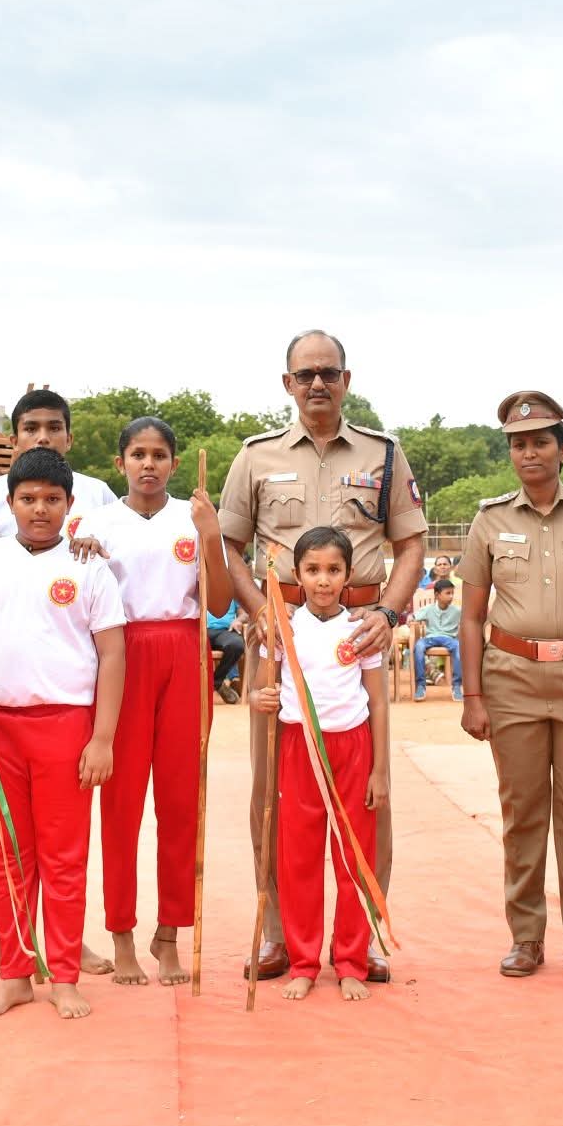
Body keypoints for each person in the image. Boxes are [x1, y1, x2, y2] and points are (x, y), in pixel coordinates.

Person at [218, 329, 426, 982]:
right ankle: (278, 933)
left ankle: (359, 938)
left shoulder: (384, 454)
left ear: (347, 379)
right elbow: (230, 546)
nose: (316, 384)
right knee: (273, 793)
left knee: (369, 795)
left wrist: (388, 612)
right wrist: (257, 611)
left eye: (328, 373)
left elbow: (412, 544)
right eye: (304, 373)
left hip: (357, 636)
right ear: (286, 383)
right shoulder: (254, 458)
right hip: (278, 640)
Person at [0, 448, 125, 1020]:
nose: (39, 509)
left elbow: (113, 652)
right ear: (9, 503)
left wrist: (102, 738)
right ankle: (18, 972)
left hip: (67, 726)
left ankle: (64, 974)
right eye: (28, 499)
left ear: (70, 505)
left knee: (64, 857)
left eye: (52, 499)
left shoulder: (88, 566)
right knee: (9, 857)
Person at [459, 392, 563, 980]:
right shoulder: (490, 519)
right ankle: (525, 935)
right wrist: (473, 695)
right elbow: (472, 614)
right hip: (512, 679)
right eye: (519, 444)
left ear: (561, 448)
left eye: (540, 441)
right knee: (523, 810)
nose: (529, 452)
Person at [74, 417, 233, 986]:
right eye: (137, 454)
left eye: (159, 454)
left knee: (180, 799)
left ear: (174, 462)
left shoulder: (191, 518)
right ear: (119, 464)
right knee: (120, 803)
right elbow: (76, 599)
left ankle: (169, 932)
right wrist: (81, 553)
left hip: (183, 652)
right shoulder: (95, 522)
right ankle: (121, 934)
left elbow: (218, 604)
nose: (148, 464)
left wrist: (212, 539)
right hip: (121, 654)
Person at [249, 526, 390, 1000]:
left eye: (333, 571)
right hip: (298, 747)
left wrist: (380, 769)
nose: (323, 580)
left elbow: (378, 702)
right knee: (298, 858)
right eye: (313, 570)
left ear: (349, 576)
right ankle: (304, 961)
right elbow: (263, 688)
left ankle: (350, 960)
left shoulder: (361, 630)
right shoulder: (282, 627)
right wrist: (260, 697)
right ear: (297, 575)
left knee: (353, 857)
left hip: (353, 748)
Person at [0, 389, 118, 558]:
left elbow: (118, 557)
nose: (43, 438)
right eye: (31, 429)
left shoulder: (99, 492)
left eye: (54, 428)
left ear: (69, 440)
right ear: (14, 442)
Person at [410, 578, 463, 701]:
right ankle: (421, 686)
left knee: (459, 647)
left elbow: (469, 619)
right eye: (447, 593)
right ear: (437, 595)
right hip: (430, 638)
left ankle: (456, 686)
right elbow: (413, 616)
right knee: (418, 646)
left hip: (449, 638)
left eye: (452, 593)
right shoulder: (429, 609)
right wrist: (410, 618)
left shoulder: (457, 611)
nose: (451, 596)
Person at [207, 604, 245, 704]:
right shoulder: (198, 589)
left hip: (226, 631)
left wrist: (238, 620)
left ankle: (215, 682)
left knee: (237, 645)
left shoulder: (232, 589)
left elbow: (244, 613)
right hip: (200, 630)